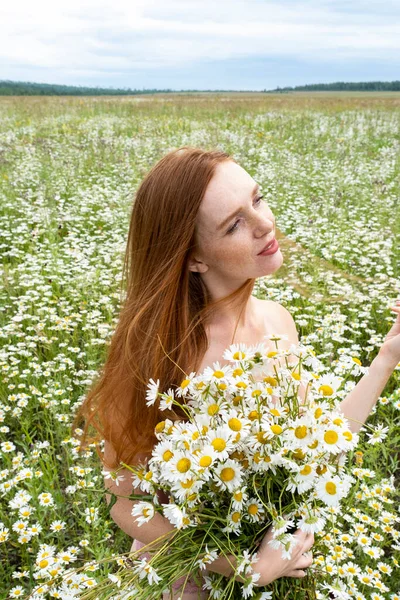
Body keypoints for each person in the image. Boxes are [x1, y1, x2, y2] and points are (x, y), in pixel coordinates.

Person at [76, 146, 400, 600]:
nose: (265, 224)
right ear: (193, 258)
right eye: (234, 224)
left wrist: (387, 358)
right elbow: (125, 504)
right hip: (190, 581)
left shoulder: (279, 322)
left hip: (283, 570)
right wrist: (244, 567)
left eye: (258, 199)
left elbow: (319, 448)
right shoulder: (161, 358)